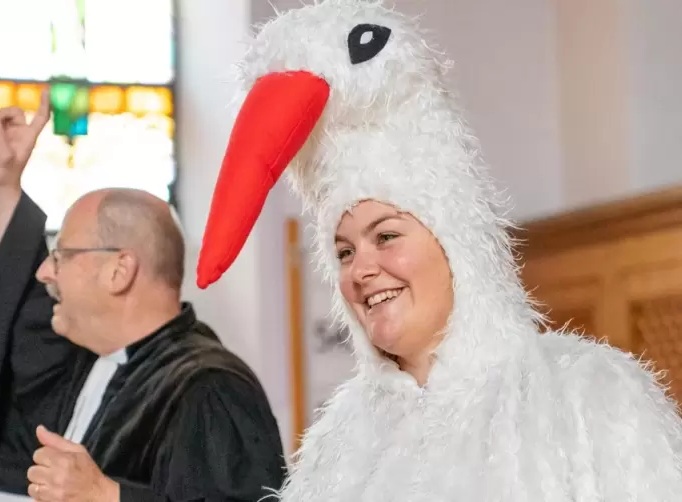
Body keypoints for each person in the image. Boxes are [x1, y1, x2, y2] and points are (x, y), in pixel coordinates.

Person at [194, 1, 682, 500]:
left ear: (455, 241)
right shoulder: (336, 446)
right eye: (343, 252)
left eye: (386, 236)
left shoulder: (589, 399)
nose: (362, 269)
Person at [0, 89, 286, 501]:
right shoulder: (94, 367)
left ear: (119, 271)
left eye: (61, 255)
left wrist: (108, 496)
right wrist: (6, 187)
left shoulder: (210, 388)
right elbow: (14, 323)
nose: (46, 271)